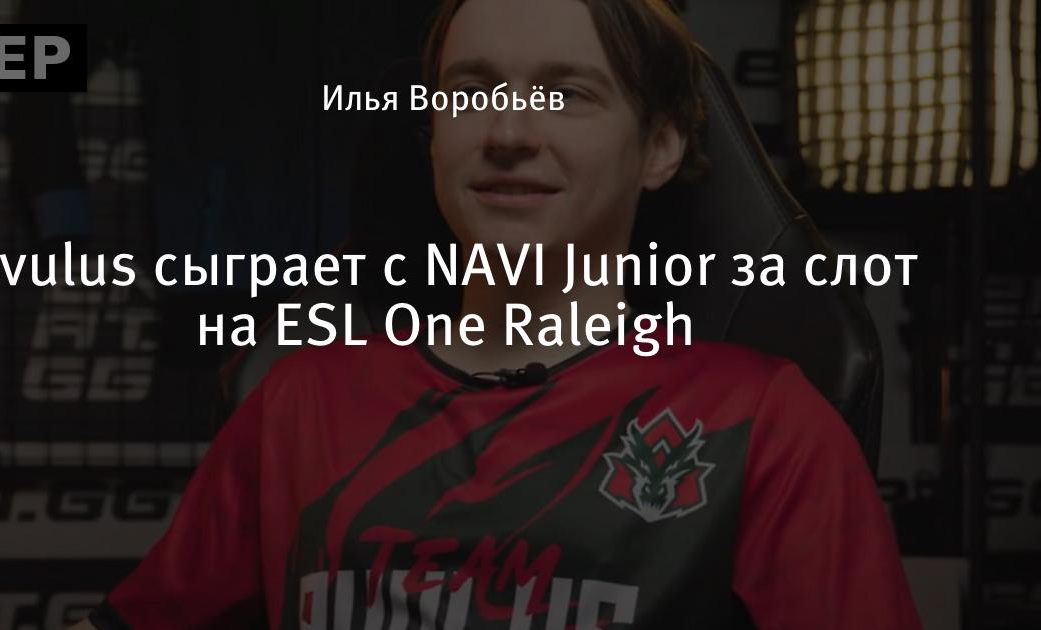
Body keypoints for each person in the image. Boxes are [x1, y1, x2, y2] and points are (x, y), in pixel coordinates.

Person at [76, 0, 922, 627]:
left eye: (568, 94)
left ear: (660, 145)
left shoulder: (763, 424)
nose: (508, 131)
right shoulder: (298, 401)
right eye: (471, 89)